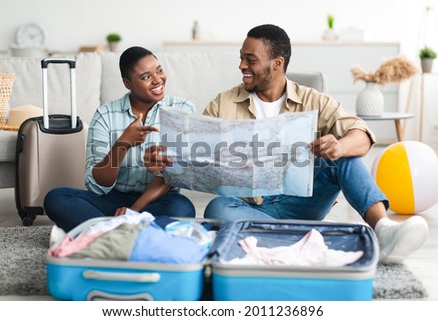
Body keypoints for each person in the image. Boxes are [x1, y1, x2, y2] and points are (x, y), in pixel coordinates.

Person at [144, 24, 428, 264]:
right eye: (241, 58)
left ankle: (384, 229)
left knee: (346, 157)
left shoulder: (313, 100)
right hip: (251, 206)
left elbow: (362, 135)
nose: (242, 66)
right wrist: (170, 160)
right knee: (217, 209)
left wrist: (339, 147)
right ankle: (299, 236)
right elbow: (195, 153)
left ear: (276, 63)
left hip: (302, 201)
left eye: (250, 59)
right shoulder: (224, 102)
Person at [44, 46, 196, 233]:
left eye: (159, 70)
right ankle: (133, 234)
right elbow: (97, 185)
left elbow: (171, 175)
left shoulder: (181, 109)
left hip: (156, 201)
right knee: (56, 198)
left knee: (182, 208)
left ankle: (103, 233)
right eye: (146, 77)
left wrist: (133, 212)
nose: (158, 80)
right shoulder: (105, 115)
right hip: (112, 201)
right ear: (127, 83)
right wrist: (122, 145)